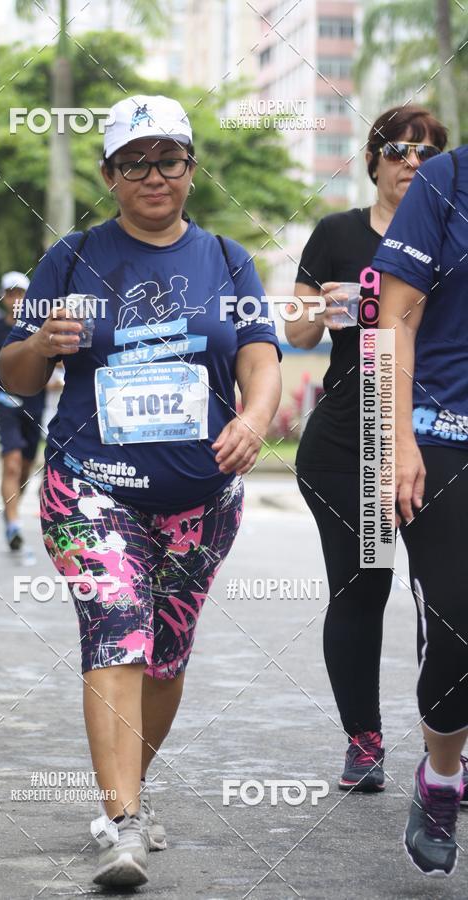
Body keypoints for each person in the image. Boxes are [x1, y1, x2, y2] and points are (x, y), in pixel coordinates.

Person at [0, 94, 282, 887]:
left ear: (191, 168)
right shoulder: (73, 257)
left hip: (202, 495)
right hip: (92, 487)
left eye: (169, 159)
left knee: (165, 658)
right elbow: (14, 372)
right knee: (117, 627)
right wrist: (40, 344)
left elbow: (260, 354)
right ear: (110, 175)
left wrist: (256, 420)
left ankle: (135, 791)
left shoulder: (227, 259)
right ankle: (119, 820)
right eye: (135, 162)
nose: (154, 175)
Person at [285, 106, 449, 793]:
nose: (412, 164)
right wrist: (318, 310)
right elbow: (293, 334)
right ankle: (365, 742)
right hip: (348, 441)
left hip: (435, 436)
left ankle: (445, 752)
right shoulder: (338, 233)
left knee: (444, 597)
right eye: (399, 151)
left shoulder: (453, 233)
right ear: (375, 159)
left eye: (426, 153)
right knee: (362, 591)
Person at [374, 140, 468, 877]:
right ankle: (441, 775)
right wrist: (397, 435)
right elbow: (396, 316)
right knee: (458, 621)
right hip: (444, 436)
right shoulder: (446, 178)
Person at [0, 272, 45, 551]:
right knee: (12, 462)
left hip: (33, 400)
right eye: (10, 293)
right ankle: (14, 523)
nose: (15, 299)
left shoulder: (40, 326)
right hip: (3, 399)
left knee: (26, 466)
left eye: (20, 293)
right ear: (3, 297)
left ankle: (11, 508)